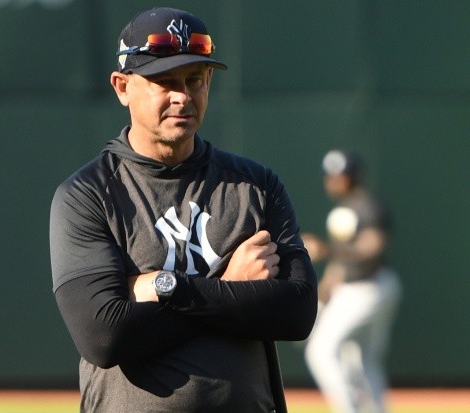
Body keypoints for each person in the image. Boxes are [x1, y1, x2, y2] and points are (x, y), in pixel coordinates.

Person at [49, 7, 317, 413]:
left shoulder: (255, 186)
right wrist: (231, 284)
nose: (183, 96)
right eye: (164, 81)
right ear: (122, 87)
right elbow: (104, 336)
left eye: (195, 79)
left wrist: (166, 287)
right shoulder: (88, 194)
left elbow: (296, 312)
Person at [301, 150, 401, 413]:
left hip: (370, 288)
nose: (334, 180)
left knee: (321, 352)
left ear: (354, 176)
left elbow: (372, 248)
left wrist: (328, 249)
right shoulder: (345, 208)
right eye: (331, 175)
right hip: (358, 289)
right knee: (361, 360)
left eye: (341, 175)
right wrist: (324, 290)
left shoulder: (367, 205)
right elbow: (343, 261)